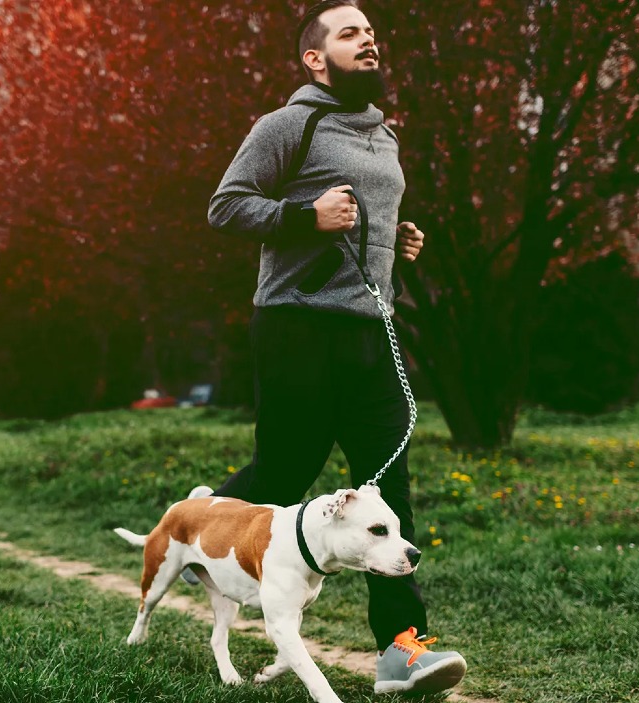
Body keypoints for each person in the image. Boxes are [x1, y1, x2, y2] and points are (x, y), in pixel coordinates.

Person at [198, 0, 467, 696]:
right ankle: (197, 527)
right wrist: (303, 215)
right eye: (351, 35)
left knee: (390, 493)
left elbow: (359, 234)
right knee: (286, 473)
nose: (368, 43)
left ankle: (403, 653)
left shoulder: (385, 135)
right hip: (296, 327)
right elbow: (226, 205)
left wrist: (395, 250)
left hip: (370, 329)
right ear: (316, 59)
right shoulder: (290, 124)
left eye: (371, 34)